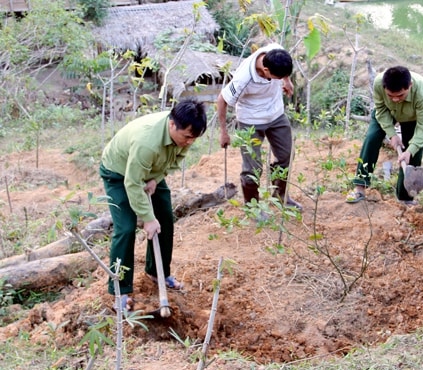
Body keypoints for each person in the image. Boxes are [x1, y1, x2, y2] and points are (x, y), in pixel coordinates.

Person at [99, 98, 207, 311]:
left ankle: (157, 272)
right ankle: (120, 290)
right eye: (186, 137)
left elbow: (174, 160)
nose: (189, 143)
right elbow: (131, 183)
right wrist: (147, 218)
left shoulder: (184, 137)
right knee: (126, 228)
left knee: (165, 218)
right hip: (119, 174)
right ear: (172, 124)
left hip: (150, 171)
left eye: (194, 138)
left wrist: (155, 179)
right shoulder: (147, 141)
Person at [217, 43, 302, 214]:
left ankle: (280, 196)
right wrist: (224, 132)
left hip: (276, 114)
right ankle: (253, 206)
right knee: (253, 167)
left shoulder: (276, 51)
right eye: (277, 77)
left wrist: (287, 81)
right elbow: (222, 99)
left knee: (286, 155)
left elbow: (284, 72)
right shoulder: (243, 78)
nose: (279, 80)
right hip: (250, 120)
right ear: (265, 70)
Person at [345, 66, 423, 205]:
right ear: (384, 87)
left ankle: (405, 197)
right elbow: (380, 109)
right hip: (386, 113)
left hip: (412, 118)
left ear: (409, 86)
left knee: (414, 153)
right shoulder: (379, 83)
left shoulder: (422, 93)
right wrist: (392, 135)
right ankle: (360, 187)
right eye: (390, 96)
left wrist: (410, 150)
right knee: (372, 138)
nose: (395, 100)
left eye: (400, 95)